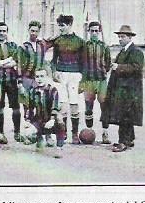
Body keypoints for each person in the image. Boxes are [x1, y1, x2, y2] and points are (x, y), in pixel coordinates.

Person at [102, 25, 144, 153]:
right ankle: (129, 139)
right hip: (122, 88)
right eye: (119, 36)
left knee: (124, 115)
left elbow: (136, 67)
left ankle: (123, 142)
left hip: (130, 89)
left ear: (130, 37)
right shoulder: (123, 51)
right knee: (126, 114)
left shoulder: (136, 51)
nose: (120, 39)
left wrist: (119, 67)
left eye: (123, 37)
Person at [51, 13, 85, 143]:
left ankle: (75, 134)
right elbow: (53, 60)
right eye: (59, 26)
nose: (60, 28)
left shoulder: (80, 41)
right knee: (63, 105)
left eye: (63, 26)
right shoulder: (58, 41)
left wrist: (82, 78)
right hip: (61, 74)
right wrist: (54, 72)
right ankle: (63, 132)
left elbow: (84, 62)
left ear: (70, 25)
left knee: (74, 104)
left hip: (75, 75)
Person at [80, 20, 113, 145]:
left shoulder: (104, 46)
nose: (94, 33)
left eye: (96, 31)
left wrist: (103, 71)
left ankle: (105, 133)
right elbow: (80, 62)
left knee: (104, 107)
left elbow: (108, 63)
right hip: (88, 80)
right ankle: (90, 132)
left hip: (101, 81)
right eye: (92, 31)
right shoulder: (84, 46)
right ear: (89, 32)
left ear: (99, 32)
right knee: (88, 107)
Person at [21, 68, 65, 155]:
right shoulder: (32, 91)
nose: (39, 79)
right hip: (39, 120)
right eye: (37, 77)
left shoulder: (53, 90)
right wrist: (28, 121)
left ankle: (59, 147)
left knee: (60, 121)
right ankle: (39, 138)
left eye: (42, 76)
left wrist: (52, 119)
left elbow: (55, 106)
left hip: (51, 120)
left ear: (47, 77)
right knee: (27, 134)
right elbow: (29, 108)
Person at [0, 21, 21, 143]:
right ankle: (1, 134)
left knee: (16, 107)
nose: (2, 33)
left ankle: (17, 132)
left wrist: (0, 63)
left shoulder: (13, 45)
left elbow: (16, 61)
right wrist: (6, 62)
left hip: (12, 79)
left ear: (7, 32)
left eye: (4, 31)